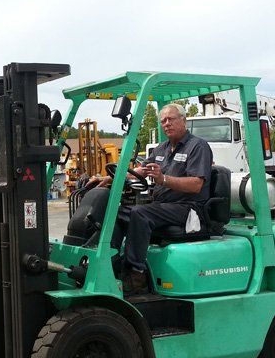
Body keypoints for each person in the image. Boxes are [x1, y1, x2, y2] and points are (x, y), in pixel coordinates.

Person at [91, 103, 213, 295]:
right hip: (163, 206)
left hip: (188, 208)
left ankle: (135, 273)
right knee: (117, 211)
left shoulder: (197, 146)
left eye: (171, 119)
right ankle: (108, 261)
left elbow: (196, 184)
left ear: (184, 121)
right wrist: (110, 178)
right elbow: (139, 171)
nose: (166, 124)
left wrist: (162, 179)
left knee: (140, 213)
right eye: (163, 121)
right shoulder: (162, 148)